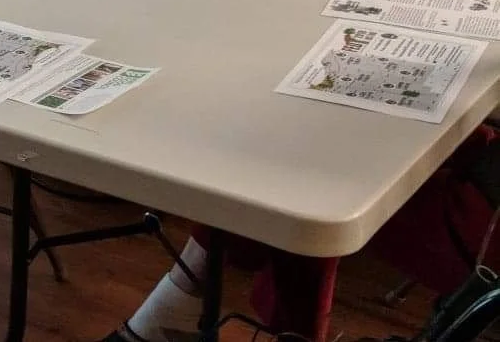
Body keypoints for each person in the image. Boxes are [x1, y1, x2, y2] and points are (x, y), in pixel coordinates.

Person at [96, 125, 500, 342]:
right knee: (318, 138)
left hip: (488, 245)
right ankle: (171, 314)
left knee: (302, 174)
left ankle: (169, 315)